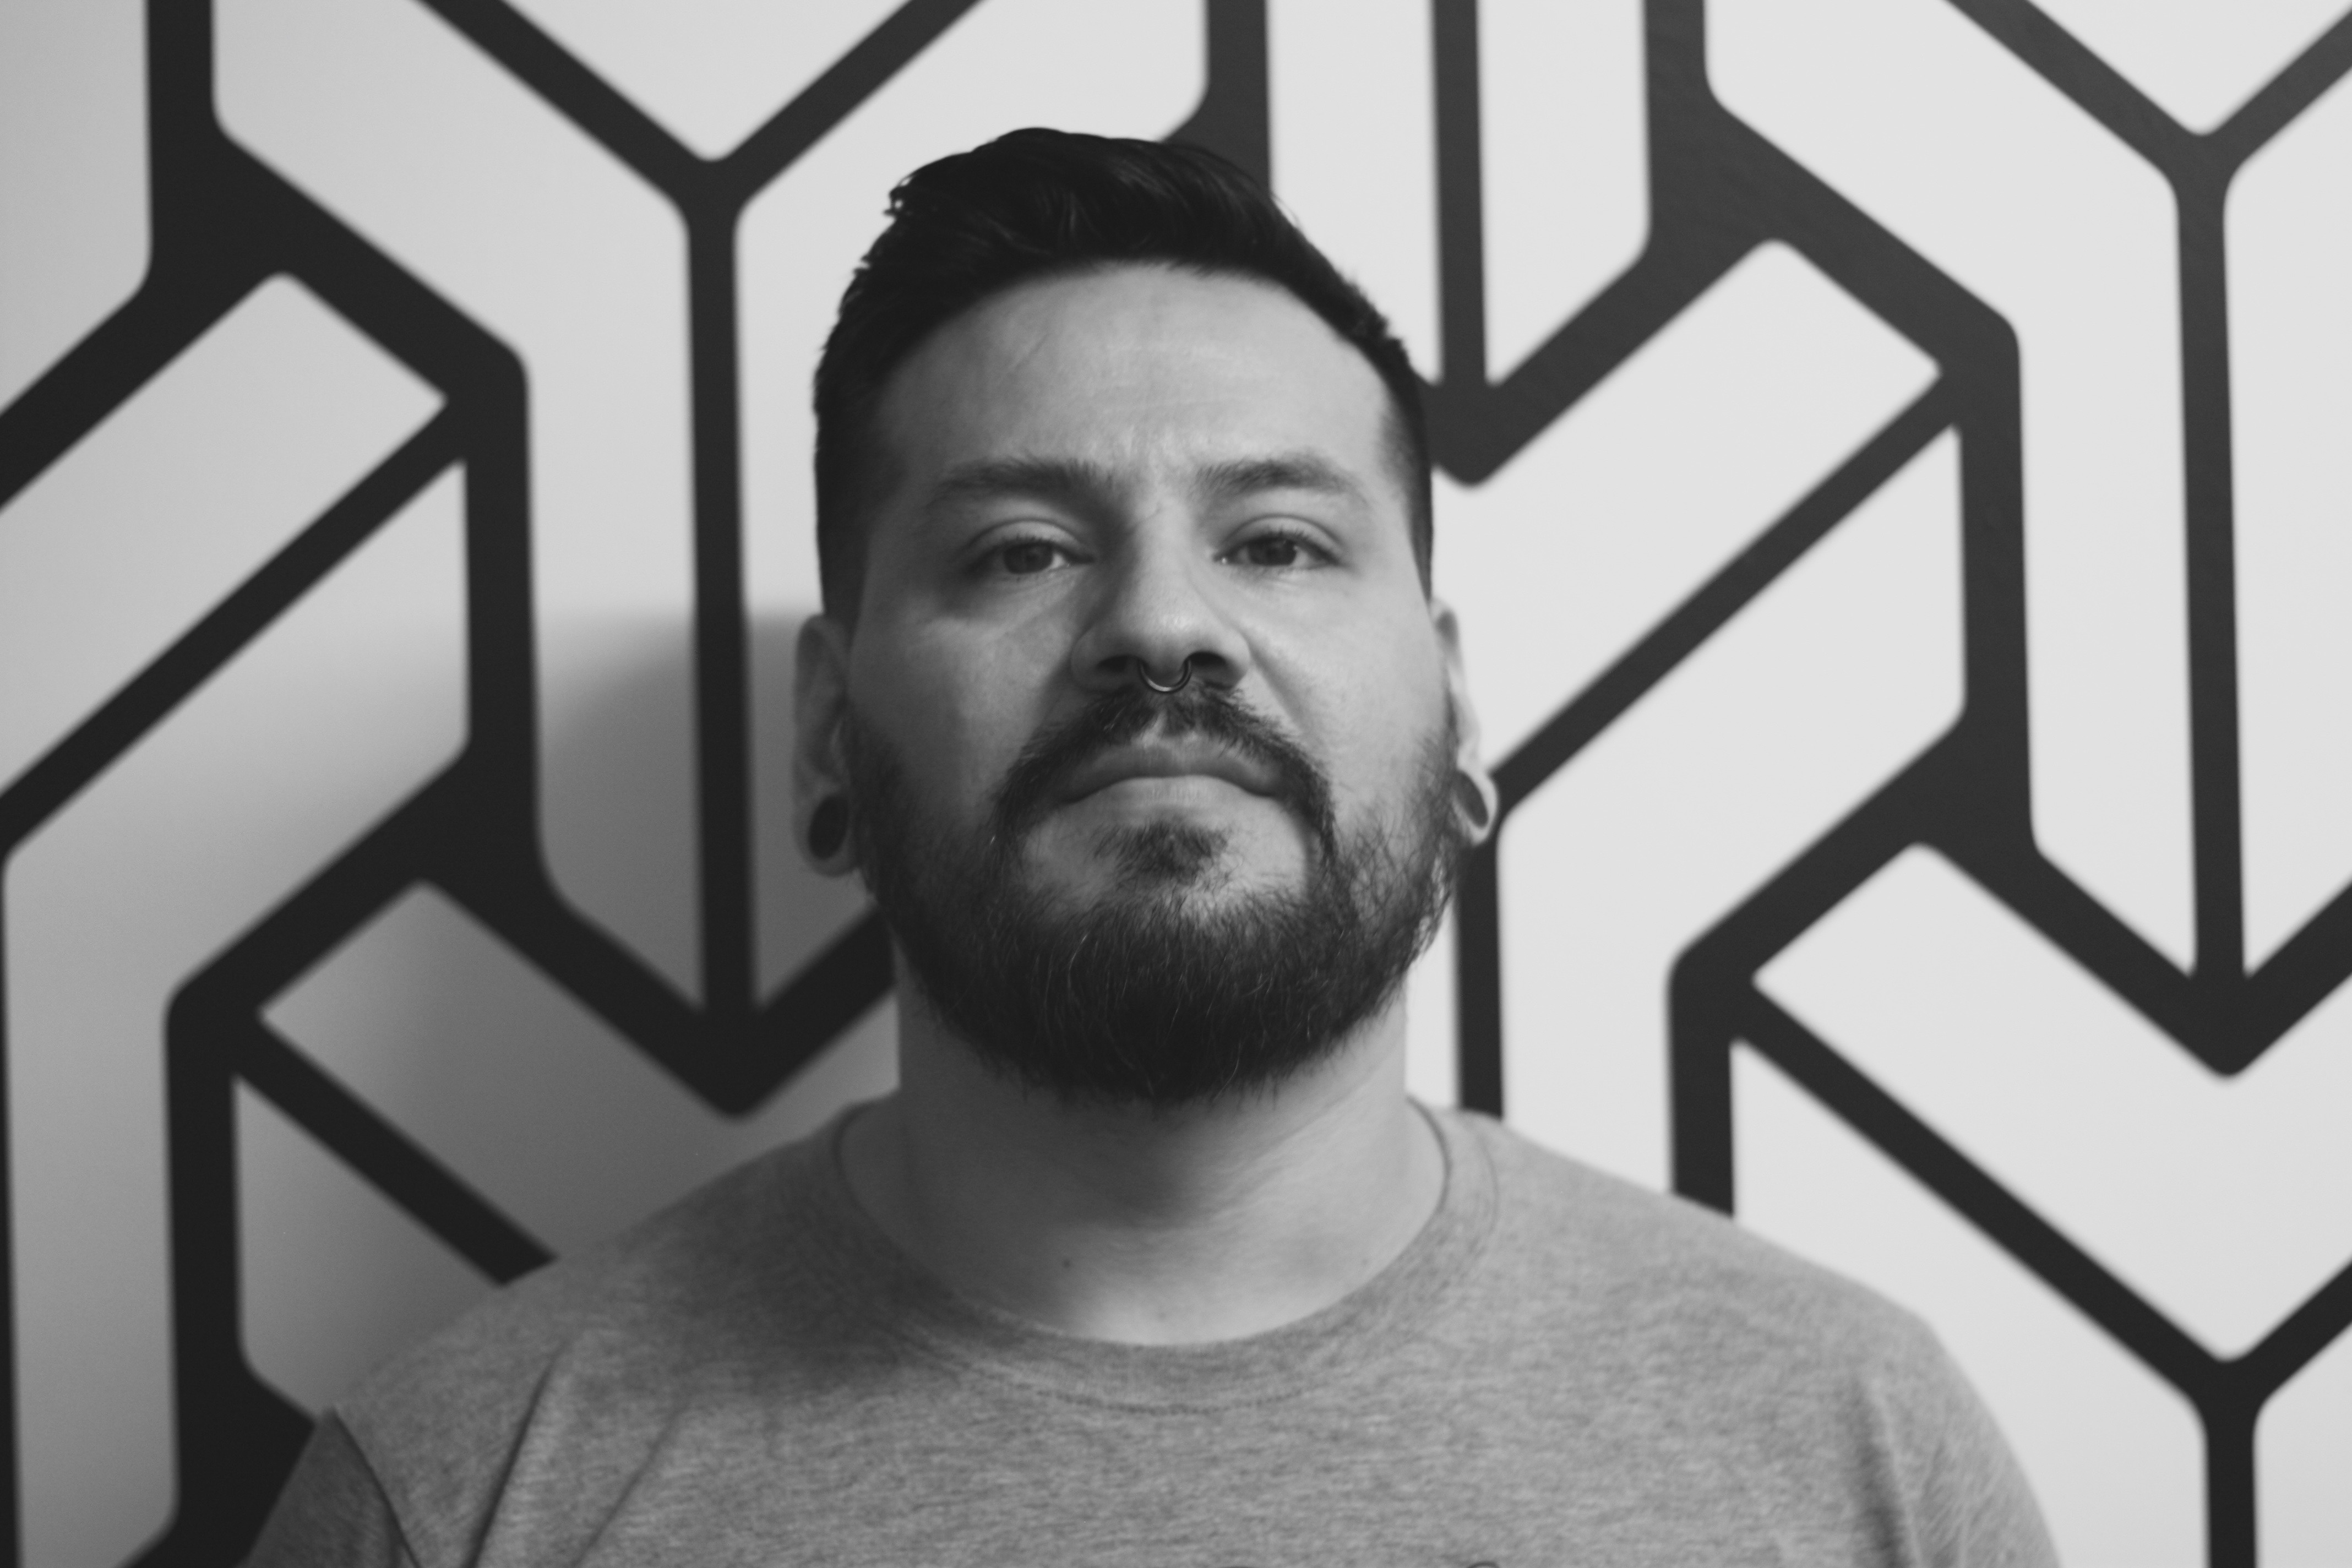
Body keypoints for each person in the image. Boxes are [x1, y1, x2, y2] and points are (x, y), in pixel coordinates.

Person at [248, 128, 2055, 1567]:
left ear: (1455, 713)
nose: (1164, 627)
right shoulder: (461, 1495)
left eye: (1278, 542)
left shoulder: (1853, 1447)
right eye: (1023, 551)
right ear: (827, 732)